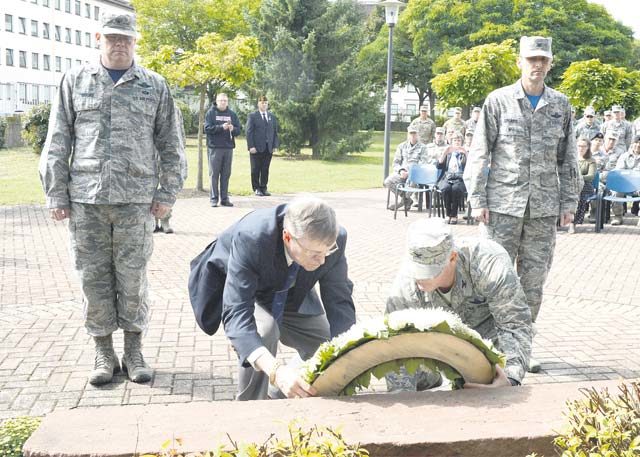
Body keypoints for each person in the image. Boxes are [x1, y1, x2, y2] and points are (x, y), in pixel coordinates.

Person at [38, 13, 184, 385]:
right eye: (112, 38)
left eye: (126, 39)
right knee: (93, 280)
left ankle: (134, 351)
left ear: (135, 42)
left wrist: (167, 193)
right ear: (98, 38)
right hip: (86, 201)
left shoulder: (154, 85)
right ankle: (103, 352)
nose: (119, 44)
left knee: (133, 280)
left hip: (136, 201)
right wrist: (56, 192)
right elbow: (58, 139)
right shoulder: (75, 80)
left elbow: (171, 143)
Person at [463, 36, 581, 374]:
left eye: (543, 59)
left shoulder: (561, 105)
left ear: (550, 64)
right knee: (492, 279)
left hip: (543, 209)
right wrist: (477, 198)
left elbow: (569, 158)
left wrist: (569, 201)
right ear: (520, 62)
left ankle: (521, 350)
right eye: (531, 59)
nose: (537, 65)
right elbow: (480, 152)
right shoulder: (498, 101)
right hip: (502, 206)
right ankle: (487, 348)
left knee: (532, 283)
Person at [188, 195, 356, 400]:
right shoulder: (252, 236)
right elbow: (237, 310)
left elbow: (339, 301)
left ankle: (281, 392)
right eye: (314, 253)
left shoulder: (334, 239)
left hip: (291, 287)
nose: (321, 261)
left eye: (327, 252)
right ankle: (252, 405)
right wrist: (276, 371)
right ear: (288, 237)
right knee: (264, 332)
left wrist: (347, 352)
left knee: (329, 343)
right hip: (245, 286)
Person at [385, 218, 532, 391]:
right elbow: (396, 345)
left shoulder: (489, 265)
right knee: (414, 377)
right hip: (435, 341)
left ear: (452, 258)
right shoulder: (404, 285)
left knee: (487, 385)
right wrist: (402, 396)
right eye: (416, 269)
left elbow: (514, 324)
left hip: (485, 339)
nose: (419, 278)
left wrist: (510, 379)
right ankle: (432, 378)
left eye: (428, 272)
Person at [155, 103, 188, 234]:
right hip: (154, 152)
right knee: (152, 188)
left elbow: (180, 131)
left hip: (172, 153)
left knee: (168, 188)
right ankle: (153, 221)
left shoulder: (175, 108)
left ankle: (165, 220)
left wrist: (182, 147)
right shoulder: (153, 104)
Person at [204, 93, 241, 207]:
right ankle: (214, 199)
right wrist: (221, 127)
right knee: (214, 174)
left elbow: (238, 130)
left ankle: (224, 199)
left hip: (228, 148)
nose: (223, 102)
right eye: (221, 100)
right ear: (217, 101)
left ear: (227, 102)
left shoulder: (232, 114)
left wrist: (233, 128)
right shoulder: (211, 113)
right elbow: (207, 128)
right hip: (215, 148)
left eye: (225, 100)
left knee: (225, 175)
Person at [384, 125, 428, 211]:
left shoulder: (423, 147)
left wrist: (410, 173)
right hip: (402, 172)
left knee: (412, 182)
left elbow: (423, 164)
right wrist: (401, 171)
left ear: (418, 134)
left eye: (414, 133)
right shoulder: (401, 146)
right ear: (408, 134)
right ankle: (407, 200)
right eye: (411, 134)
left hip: (415, 173)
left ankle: (402, 202)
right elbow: (396, 162)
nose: (413, 136)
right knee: (387, 182)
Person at [246, 95, 280, 196]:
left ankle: (263, 188)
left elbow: (275, 132)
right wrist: (251, 146)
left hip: (268, 148)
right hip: (256, 148)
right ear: (258, 104)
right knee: (255, 169)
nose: (264, 105)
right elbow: (249, 132)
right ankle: (256, 188)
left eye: (265, 103)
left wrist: (275, 145)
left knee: (265, 169)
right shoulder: (253, 116)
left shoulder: (271, 116)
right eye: (262, 103)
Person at [436, 131, 467, 225]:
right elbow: (438, 166)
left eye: (459, 140)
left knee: (456, 189)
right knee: (446, 189)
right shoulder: (447, 152)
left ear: (461, 142)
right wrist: (444, 153)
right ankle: (448, 213)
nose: (457, 142)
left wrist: (466, 153)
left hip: (460, 177)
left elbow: (471, 166)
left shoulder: (464, 153)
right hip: (447, 177)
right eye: (455, 140)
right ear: (451, 142)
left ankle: (454, 215)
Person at [569, 138, 597, 233]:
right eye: (579, 146)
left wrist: (577, 178)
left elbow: (590, 176)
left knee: (578, 197)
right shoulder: (571, 159)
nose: (581, 148)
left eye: (584, 146)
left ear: (588, 147)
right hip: (570, 185)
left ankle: (573, 223)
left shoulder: (591, 161)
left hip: (585, 186)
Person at [610, 136, 640, 226]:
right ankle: (618, 216)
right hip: (625, 184)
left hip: (639, 185)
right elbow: (619, 171)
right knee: (616, 191)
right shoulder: (624, 156)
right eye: (636, 143)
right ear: (632, 144)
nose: (638, 145)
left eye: (639, 143)